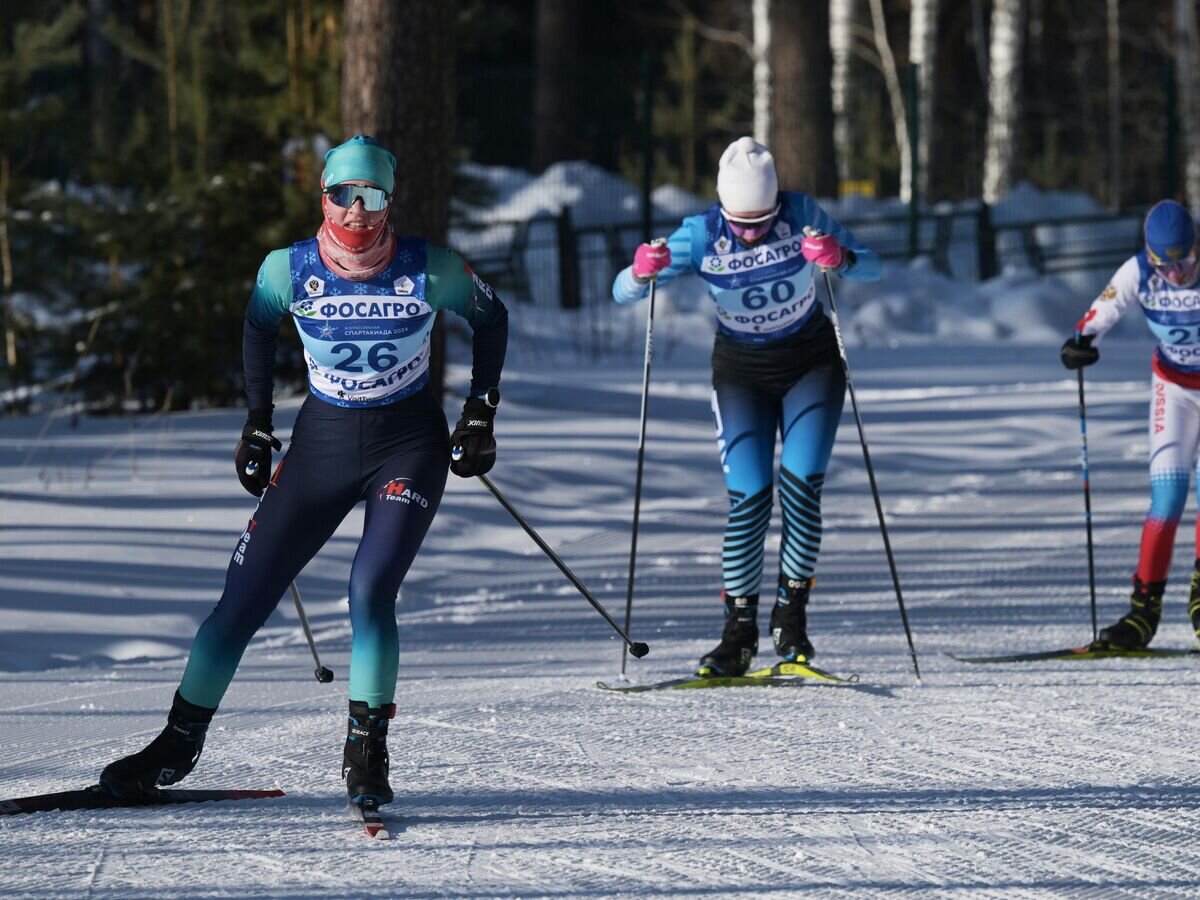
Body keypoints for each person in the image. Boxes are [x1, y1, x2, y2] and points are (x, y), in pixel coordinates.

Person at [99, 135, 508, 807]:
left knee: (369, 589)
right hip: (320, 445)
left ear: (388, 201)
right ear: (323, 197)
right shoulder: (286, 270)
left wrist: (479, 414)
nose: (357, 213)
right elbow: (258, 328)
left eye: (372, 196)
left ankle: (367, 752)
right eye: (343, 195)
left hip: (406, 446)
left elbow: (492, 321)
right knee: (240, 600)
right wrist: (257, 423)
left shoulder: (430, 269)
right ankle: (177, 743)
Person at [612, 136, 881, 676]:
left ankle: (791, 620)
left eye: (762, 220)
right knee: (750, 496)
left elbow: (870, 266)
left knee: (802, 486)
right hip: (741, 373)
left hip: (811, 364)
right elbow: (622, 292)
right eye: (742, 222)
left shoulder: (803, 213)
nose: (752, 231)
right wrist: (641, 271)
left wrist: (839, 256)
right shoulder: (701, 235)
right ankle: (737, 634)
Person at [1062, 198, 1200, 650]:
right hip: (1174, 390)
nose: (1177, 274)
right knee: (1165, 502)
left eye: (1185, 262)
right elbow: (1099, 314)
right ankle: (1142, 614)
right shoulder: (1138, 272)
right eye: (1167, 266)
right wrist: (1081, 342)